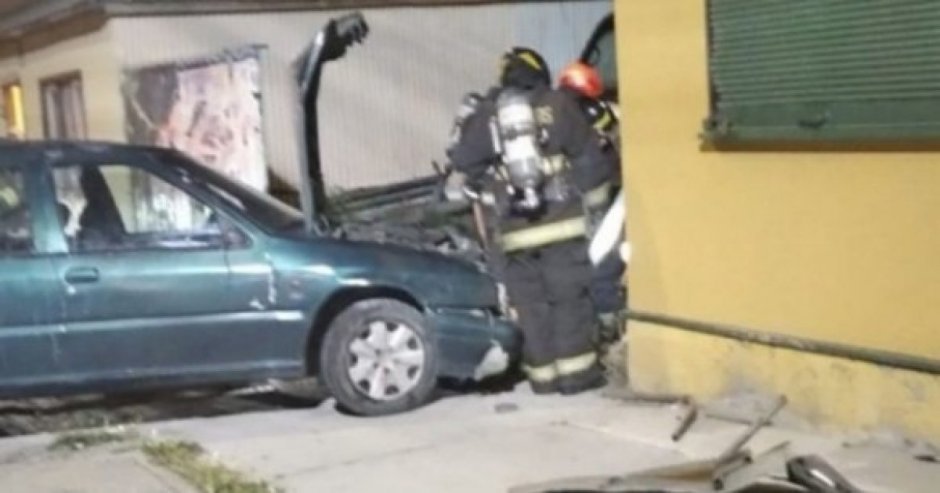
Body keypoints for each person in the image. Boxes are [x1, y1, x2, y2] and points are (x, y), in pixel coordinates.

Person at [447, 47, 617, 395]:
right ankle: (577, 375)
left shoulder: (488, 115)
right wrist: (595, 208)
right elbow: (590, 160)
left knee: (531, 305)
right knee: (569, 299)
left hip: (514, 232)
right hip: (562, 226)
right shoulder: (558, 105)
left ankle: (543, 379)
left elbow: (465, 162)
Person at [557, 61, 627, 344]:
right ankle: (607, 328)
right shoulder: (596, 113)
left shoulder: (552, 111)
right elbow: (614, 141)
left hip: (564, 205)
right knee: (602, 263)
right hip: (596, 201)